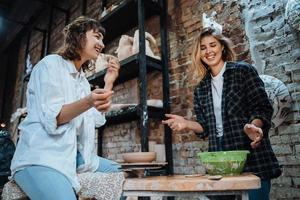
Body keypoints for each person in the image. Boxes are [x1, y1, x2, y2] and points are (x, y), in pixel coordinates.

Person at [162, 27, 281, 200]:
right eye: (203, 48)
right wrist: (186, 123)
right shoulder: (201, 89)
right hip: (219, 160)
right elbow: (205, 127)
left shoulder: (243, 71)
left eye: (213, 45)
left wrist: (253, 126)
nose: (208, 51)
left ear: (222, 47)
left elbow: (261, 107)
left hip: (251, 154)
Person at [10, 16, 121, 200]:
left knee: (118, 174)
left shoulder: (82, 81)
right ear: (78, 36)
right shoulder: (50, 65)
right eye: (96, 36)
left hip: (72, 157)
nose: (101, 43)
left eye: (102, 38)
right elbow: (54, 118)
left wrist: (108, 83)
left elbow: (95, 119)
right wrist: (88, 101)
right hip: (41, 157)